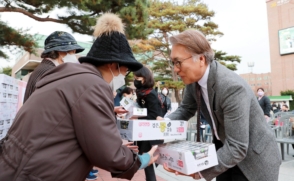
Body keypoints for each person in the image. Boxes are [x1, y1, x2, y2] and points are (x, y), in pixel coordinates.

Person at [0, 13, 158, 181]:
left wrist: (114, 144)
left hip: (17, 167)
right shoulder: (93, 85)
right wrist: (141, 160)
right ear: (114, 65)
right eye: (125, 71)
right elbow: (110, 155)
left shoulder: (69, 78)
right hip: (34, 174)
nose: (124, 77)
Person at [158, 29, 281, 181]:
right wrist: (165, 123)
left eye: (178, 62)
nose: (175, 69)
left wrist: (199, 170)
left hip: (254, 157)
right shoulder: (193, 81)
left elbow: (237, 147)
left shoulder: (231, 88)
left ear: (201, 59)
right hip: (224, 149)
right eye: (173, 62)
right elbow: (186, 108)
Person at [23, 31, 85, 103]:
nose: (74, 56)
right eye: (73, 51)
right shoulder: (51, 73)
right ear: (61, 52)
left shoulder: (43, 69)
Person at [133, 66, 165, 181]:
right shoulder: (141, 92)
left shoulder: (151, 93)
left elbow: (154, 114)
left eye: (138, 78)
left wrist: (138, 116)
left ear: (145, 78)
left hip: (150, 130)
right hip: (143, 129)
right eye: (134, 78)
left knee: (147, 158)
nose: (135, 80)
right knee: (145, 158)